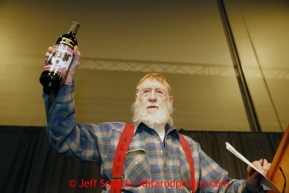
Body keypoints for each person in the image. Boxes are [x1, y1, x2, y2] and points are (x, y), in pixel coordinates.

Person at [43, 46, 270, 193]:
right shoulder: (111, 135)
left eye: (159, 92)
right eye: (146, 92)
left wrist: (251, 184)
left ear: (169, 101)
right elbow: (65, 137)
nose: (152, 97)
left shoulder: (190, 148)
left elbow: (223, 188)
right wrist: (65, 80)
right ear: (137, 99)